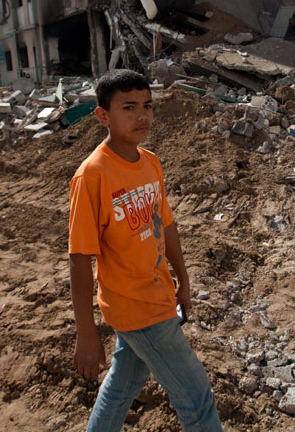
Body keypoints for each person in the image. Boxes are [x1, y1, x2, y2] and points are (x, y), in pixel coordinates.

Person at [68, 69, 223, 432]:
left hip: (157, 295)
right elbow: (79, 258)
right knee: (197, 398)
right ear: (102, 115)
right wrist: (86, 332)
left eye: (148, 106)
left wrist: (182, 279)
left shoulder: (150, 162)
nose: (142, 116)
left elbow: (165, 225)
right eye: (129, 107)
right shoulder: (92, 175)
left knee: (123, 384)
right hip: (135, 306)